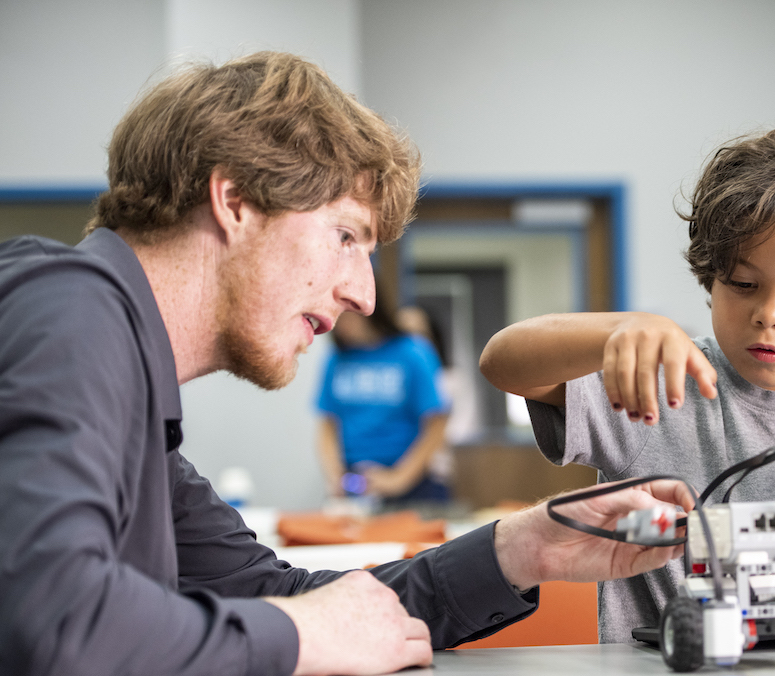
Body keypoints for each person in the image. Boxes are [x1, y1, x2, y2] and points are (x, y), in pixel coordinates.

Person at [0, 51, 695, 676]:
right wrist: (297, 633)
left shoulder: (132, 401)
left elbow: (292, 604)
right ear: (234, 199)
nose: (364, 294)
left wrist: (525, 547)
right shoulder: (73, 308)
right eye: (345, 237)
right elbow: (59, 621)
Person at [479, 123, 775, 643]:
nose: (769, 314)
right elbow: (501, 362)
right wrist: (617, 329)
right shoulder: (661, 383)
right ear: (712, 279)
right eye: (743, 284)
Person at [316, 293, 451, 504]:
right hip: (355, 481)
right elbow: (327, 424)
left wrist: (399, 479)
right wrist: (334, 476)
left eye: (345, 315)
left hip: (411, 482)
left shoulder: (412, 352)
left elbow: (436, 425)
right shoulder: (337, 359)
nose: (339, 324)